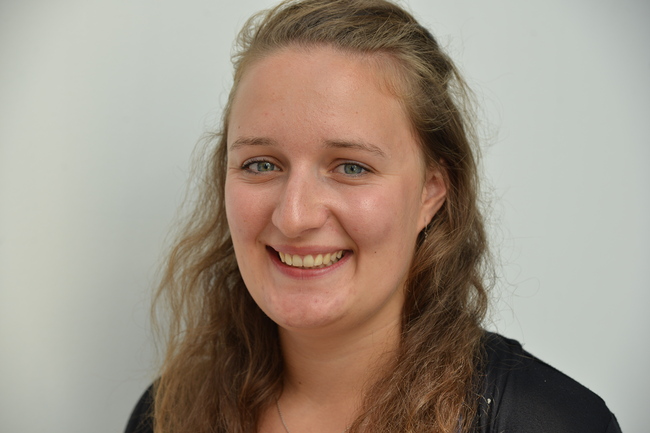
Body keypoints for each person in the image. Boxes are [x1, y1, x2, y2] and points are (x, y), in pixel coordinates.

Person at [125, 0, 621, 432]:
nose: (294, 216)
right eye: (261, 164)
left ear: (430, 192)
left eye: (351, 167)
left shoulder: (551, 421)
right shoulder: (166, 414)